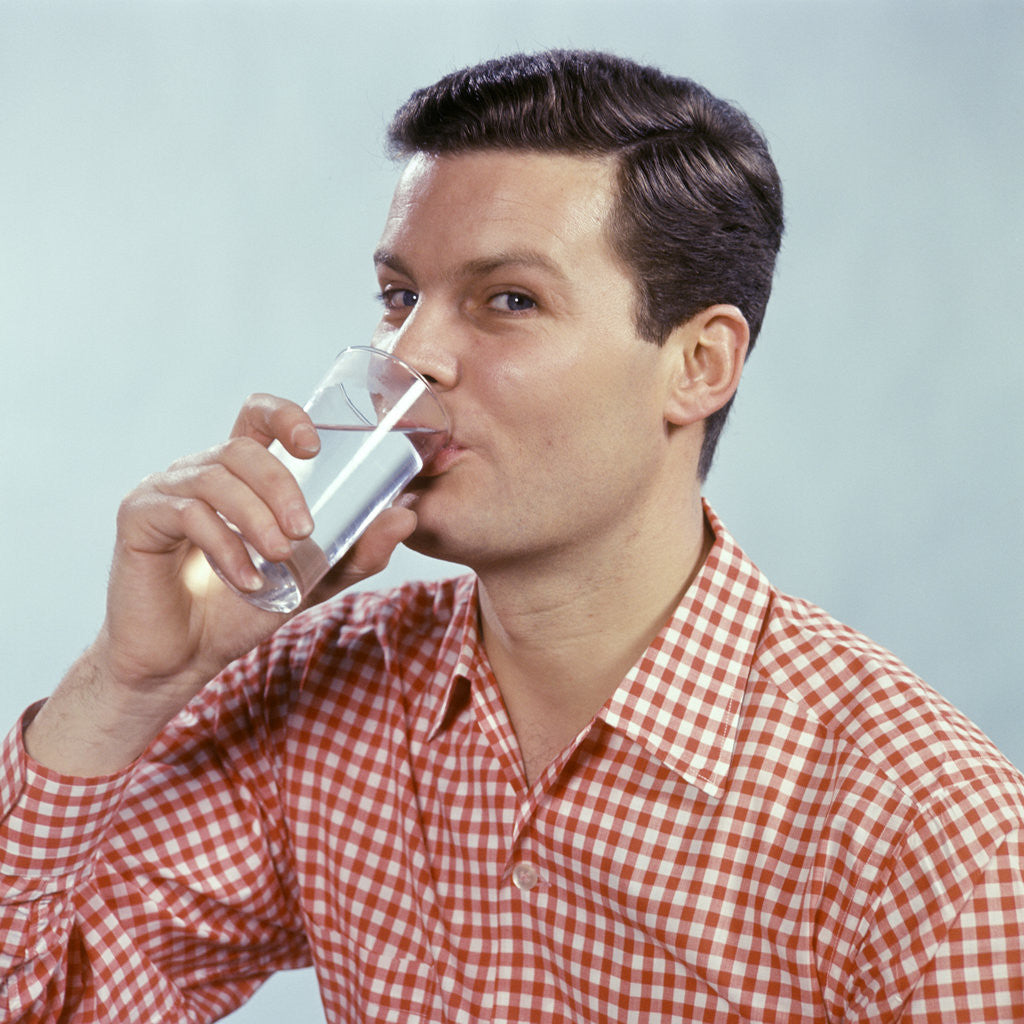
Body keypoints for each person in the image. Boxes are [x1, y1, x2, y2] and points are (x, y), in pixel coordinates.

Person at [2, 49, 1022, 1023]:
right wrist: (128, 684)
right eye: (400, 297)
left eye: (508, 300)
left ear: (699, 364)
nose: (413, 356)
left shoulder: (930, 832)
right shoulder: (321, 690)